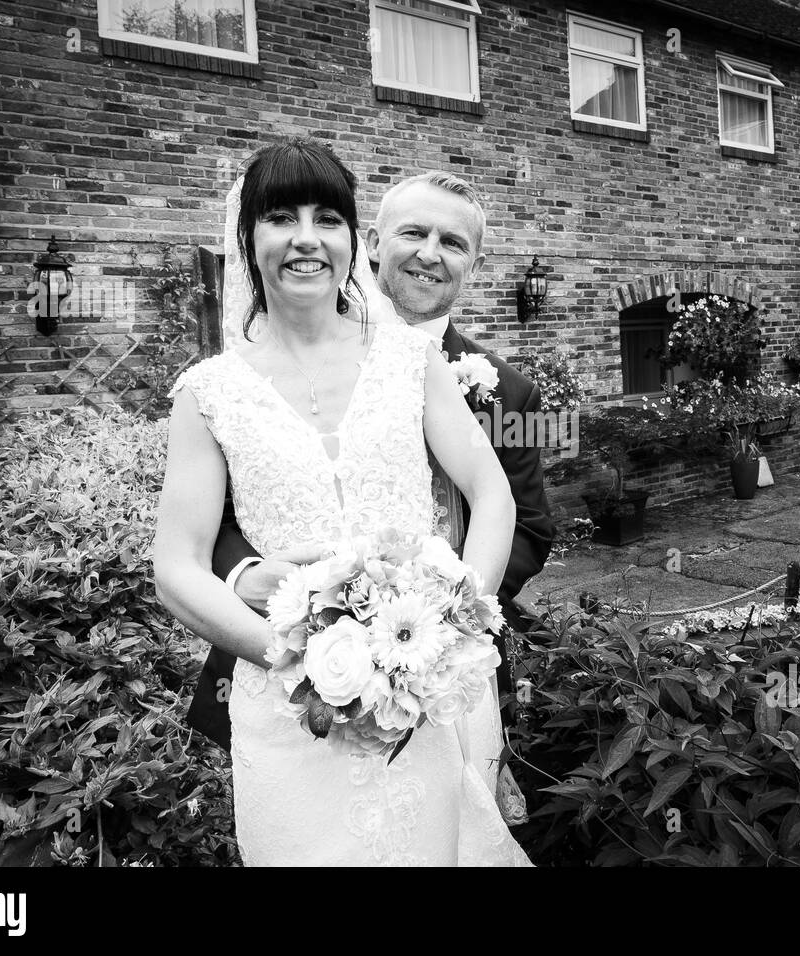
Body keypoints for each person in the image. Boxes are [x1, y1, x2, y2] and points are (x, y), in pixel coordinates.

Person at [153, 139, 532, 866]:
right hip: (289, 708)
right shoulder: (207, 394)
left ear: (352, 240)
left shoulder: (408, 361)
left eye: (328, 217)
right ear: (248, 239)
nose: (306, 238)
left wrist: (451, 631)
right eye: (279, 218)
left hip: (421, 694)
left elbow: (491, 495)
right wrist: (301, 662)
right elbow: (177, 568)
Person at [189, 171, 555, 754]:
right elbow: (227, 509)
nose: (429, 254)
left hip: (436, 669)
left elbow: (530, 526)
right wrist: (247, 577)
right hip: (287, 647)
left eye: (454, 242)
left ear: (476, 264)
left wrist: (430, 624)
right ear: (374, 243)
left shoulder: (511, 393)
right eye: (413, 232)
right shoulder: (259, 367)